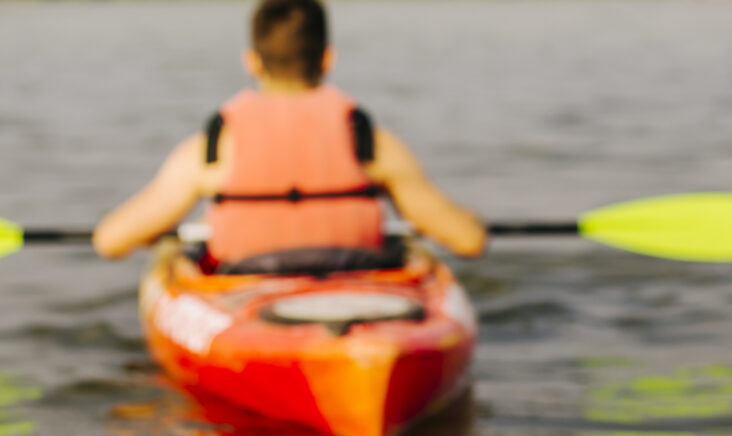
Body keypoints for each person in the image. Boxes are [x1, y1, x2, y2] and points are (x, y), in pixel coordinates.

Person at [92, 0, 486, 270]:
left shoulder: (213, 149)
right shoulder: (370, 143)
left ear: (252, 61)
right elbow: (468, 241)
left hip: (247, 284)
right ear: (327, 58)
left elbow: (110, 241)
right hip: (356, 287)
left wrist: (160, 236)